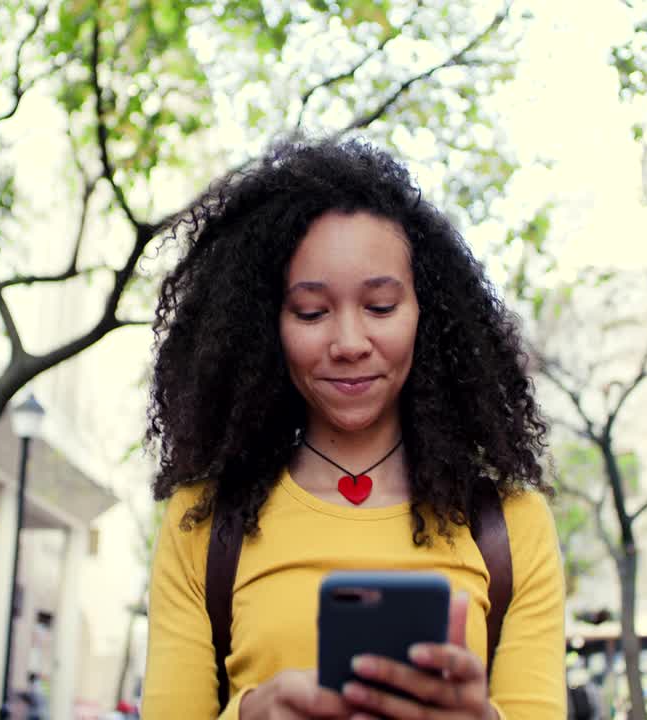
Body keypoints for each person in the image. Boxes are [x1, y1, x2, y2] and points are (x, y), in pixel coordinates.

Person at [141, 139, 566, 719]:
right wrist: (250, 713)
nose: (348, 343)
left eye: (382, 307)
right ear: (267, 328)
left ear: (428, 315)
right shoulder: (204, 524)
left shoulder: (512, 527)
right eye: (312, 312)